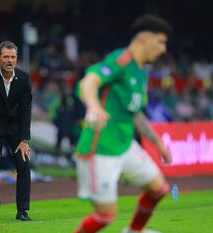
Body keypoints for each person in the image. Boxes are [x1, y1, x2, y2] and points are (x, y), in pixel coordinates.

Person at [73, 15, 173, 233]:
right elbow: (88, 81)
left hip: (125, 145)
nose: (163, 49)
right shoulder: (121, 60)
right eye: (160, 42)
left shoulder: (140, 71)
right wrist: (94, 106)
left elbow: (135, 113)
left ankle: (133, 231)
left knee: (159, 189)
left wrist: (157, 143)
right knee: (105, 216)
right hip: (101, 148)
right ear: (145, 38)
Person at [0, 41, 32, 221]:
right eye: (6, 57)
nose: (10, 60)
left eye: (13, 57)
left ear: (17, 59)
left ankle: (22, 211)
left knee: (24, 165)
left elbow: (26, 111)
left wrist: (25, 139)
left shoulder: (24, 79)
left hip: (17, 129)